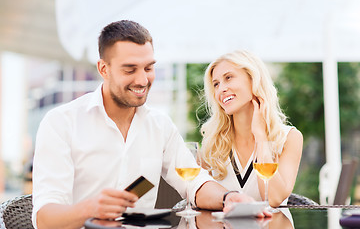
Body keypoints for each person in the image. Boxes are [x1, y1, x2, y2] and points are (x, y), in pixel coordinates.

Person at [32, 21, 261, 229]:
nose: (142, 80)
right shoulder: (61, 123)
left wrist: (227, 198)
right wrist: (90, 208)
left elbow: (195, 183)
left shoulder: (159, 125)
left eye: (149, 68)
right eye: (130, 70)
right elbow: (45, 219)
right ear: (104, 69)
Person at [200, 50, 303, 208]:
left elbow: (273, 199)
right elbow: (199, 197)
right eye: (216, 84)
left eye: (228, 78)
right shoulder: (212, 143)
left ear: (253, 79)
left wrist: (261, 138)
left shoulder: (290, 138)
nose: (221, 89)